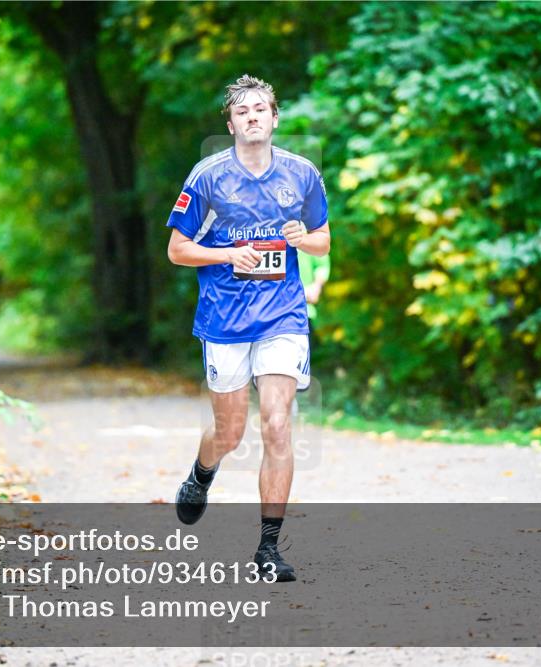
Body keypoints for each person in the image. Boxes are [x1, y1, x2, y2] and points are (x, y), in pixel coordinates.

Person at [165, 74, 331, 582]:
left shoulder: (302, 174)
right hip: (225, 317)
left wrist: (304, 239)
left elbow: (324, 240)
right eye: (243, 111)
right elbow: (177, 250)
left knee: (278, 424)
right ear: (232, 122)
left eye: (261, 109)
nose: (253, 116)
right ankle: (201, 473)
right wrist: (229, 253)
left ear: (275, 118)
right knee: (231, 432)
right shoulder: (207, 177)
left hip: (282, 315)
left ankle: (268, 547)